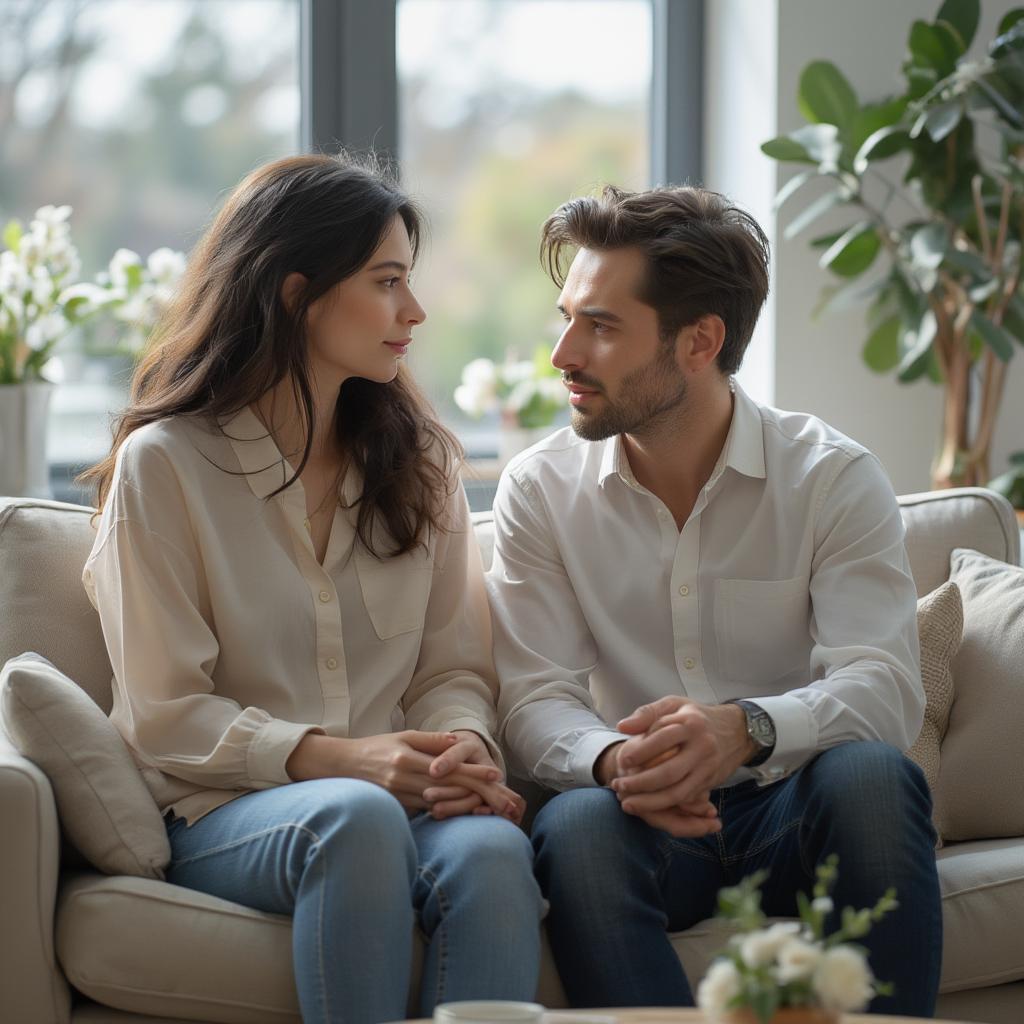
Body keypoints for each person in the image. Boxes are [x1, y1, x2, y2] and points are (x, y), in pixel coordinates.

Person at [80, 152, 543, 1024]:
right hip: (229, 813)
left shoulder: (423, 461)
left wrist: (458, 750)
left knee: (488, 850)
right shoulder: (168, 466)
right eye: (388, 281)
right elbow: (164, 711)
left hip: (394, 799)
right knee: (355, 816)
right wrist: (344, 759)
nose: (416, 311)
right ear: (296, 293)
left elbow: (450, 667)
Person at [486, 184, 941, 1016]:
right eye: (567, 317)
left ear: (699, 342)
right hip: (640, 818)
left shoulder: (831, 477)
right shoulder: (540, 490)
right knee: (577, 829)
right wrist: (615, 760)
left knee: (874, 776)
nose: (562, 355)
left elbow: (885, 688)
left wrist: (747, 728)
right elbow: (534, 698)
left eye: (602, 325)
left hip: (793, 807)